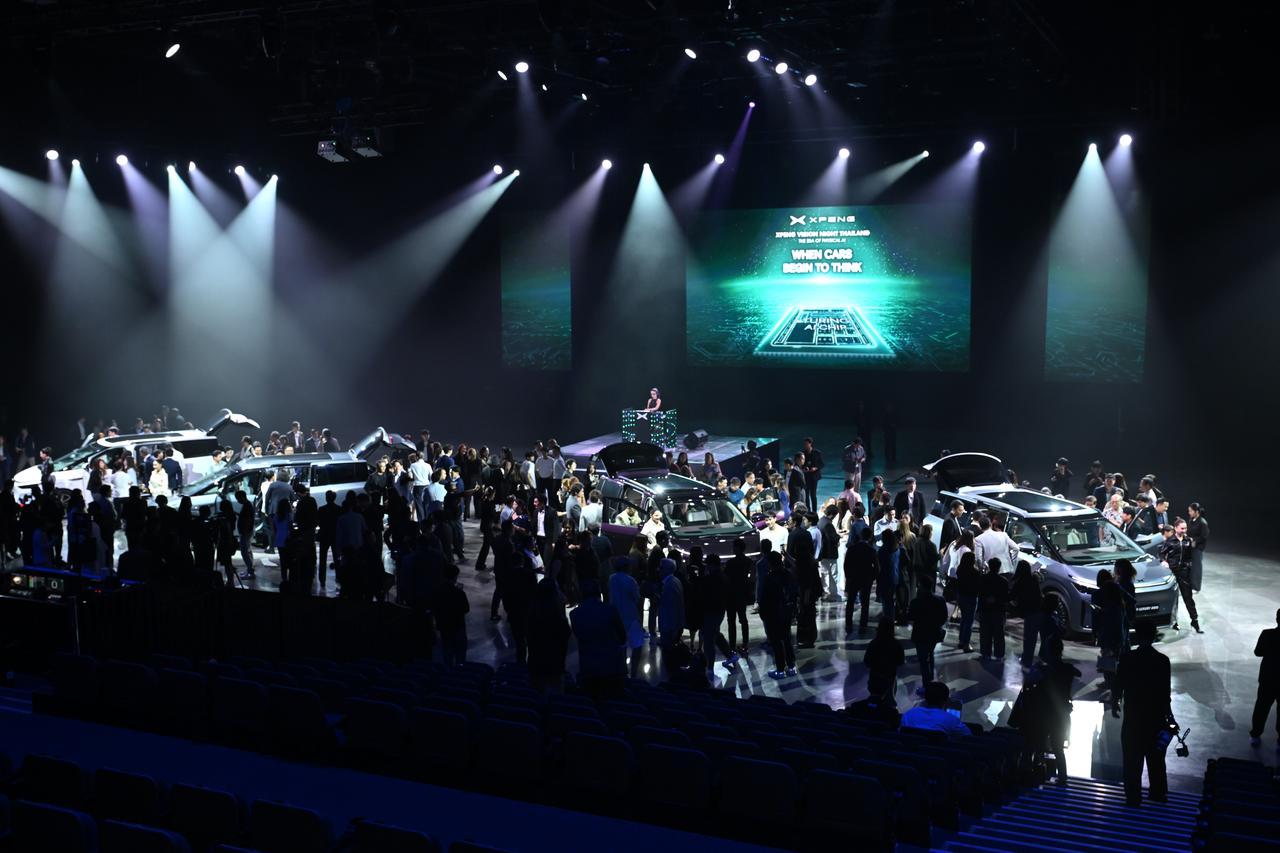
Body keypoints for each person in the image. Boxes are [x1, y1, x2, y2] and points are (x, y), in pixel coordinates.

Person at [1113, 622, 1172, 806]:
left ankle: (1133, 797)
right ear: (1154, 636)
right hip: (1155, 718)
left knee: (1132, 760)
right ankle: (1157, 795)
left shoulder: (1127, 659)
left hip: (1133, 718)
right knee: (1156, 760)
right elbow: (1165, 693)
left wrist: (1115, 702)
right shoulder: (1162, 661)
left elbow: (1118, 685)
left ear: (1137, 636)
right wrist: (1169, 716)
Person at [571, 578, 628, 698]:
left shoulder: (574, 614)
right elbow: (622, 637)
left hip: (588, 667)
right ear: (599, 592)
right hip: (611, 667)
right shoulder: (610, 610)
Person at [1160, 518, 1201, 633]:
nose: (1184, 530)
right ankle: (1174, 622)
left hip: (1184, 572)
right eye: (1182, 528)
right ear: (1176, 528)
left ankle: (1195, 621)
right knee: (1173, 598)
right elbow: (1162, 554)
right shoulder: (1170, 541)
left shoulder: (1187, 540)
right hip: (1172, 572)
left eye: (1185, 528)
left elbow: (1190, 556)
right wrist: (1164, 561)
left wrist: (1189, 566)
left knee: (1188, 598)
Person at [759, 551, 796, 678]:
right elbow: (794, 593)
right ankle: (791, 667)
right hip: (786, 612)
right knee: (787, 640)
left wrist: (763, 613)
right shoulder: (788, 574)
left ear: (770, 563)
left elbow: (765, 599)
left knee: (776, 642)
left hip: (773, 614)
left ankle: (780, 669)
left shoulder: (769, 578)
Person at [607, 557, 646, 678]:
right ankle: (633, 674)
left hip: (617, 617)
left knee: (621, 647)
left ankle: (623, 673)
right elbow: (637, 599)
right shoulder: (631, 580)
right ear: (627, 567)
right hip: (631, 617)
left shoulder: (611, 579)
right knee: (637, 646)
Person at [908, 583, 948, 687]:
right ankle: (930, 679)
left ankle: (926, 682)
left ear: (921, 588)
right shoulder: (940, 600)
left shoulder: (916, 602)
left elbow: (910, 616)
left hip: (920, 633)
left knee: (923, 659)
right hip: (934, 633)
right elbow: (944, 617)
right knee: (930, 654)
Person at [1250, 609, 1280, 746]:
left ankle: (1256, 734)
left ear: (1277, 619)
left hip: (1268, 678)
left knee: (1261, 708)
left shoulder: (1267, 634)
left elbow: (1258, 652)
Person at [900, 681, 971, 736]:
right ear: (946, 700)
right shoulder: (951, 720)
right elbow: (968, 735)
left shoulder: (909, 714)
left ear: (925, 698)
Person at [845, 526, 878, 634]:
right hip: (866, 579)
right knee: (865, 603)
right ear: (870, 537)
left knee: (850, 602)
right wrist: (872, 577)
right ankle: (863, 625)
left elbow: (846, 564)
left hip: (853, 578)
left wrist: (848, 577)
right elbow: (877, 567)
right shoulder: (871, 550)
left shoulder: (852, 549)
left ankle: (848, 624)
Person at [723, 537, 753, 653]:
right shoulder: (748, 561)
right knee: (743, 619)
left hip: (731, 594)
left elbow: (726, 577)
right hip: (742, 593)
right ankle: (745, 643)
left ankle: (732, 645)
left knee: (731, 621)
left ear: (737, 548)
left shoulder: (730, 563)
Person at [1010, 560, 1042, 667]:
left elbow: (1012, 596)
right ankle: (1029, 658)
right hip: (1038, 610)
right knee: (1033, 637)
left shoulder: (1020, 582)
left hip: (1029, 612)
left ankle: (1026, 659)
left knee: (1028, 637)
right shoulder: (1034, 579)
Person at [865, 618, 905, 700]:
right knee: (889, 699)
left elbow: (867, 661)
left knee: (875, 700)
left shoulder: (873, 643)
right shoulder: (896, 644)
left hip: (875, 677)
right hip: (889, 677)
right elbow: (900, 661)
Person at [978, 557, 1009, 660]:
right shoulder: (1003, 581)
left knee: (985, 633)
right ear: (999, 567)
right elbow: (1005, 597)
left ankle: (985, 653)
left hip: (985, 609)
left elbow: (980, 593)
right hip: (998, 610)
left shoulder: (983, 579)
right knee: (999, 634)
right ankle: (999, 654)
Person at [954, 551, 980, 654]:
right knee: (969, 621)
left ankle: (961, 640)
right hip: (971, 597)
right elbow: (978, 586)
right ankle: (966, 644)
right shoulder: (975, 572)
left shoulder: (960, 569)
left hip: (961, 596)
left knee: (964, 619)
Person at [876, 527, 902, 626]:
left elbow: (879, 566)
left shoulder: (882, 551)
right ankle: (891, 620)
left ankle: (887, 622)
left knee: (886, 602)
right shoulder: (897, 549)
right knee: (890, 601)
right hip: (895, 577)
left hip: (885, 578)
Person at [1186, 502, 1209, 593]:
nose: (1189, 513)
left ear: (1196, 511)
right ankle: (1190, 585)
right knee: (1190, 567)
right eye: (1189, 511)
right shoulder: (1191, 520)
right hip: (1191, 547)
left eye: (1191, 511)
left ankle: (1196, 587)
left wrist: (1194, 540)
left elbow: (1204, 536)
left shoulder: (1202, 522)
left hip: (1198, 548)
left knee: (1196, 567)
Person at [234, 490, 256, 580]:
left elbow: (247, 520)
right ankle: (249, 569)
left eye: (238, 499)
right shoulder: (248, 505)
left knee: (244, 552)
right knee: (248, 550)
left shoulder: (247, 506)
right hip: (246, 531)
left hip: (245, 532)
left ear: (242, 497)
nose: (238, 501)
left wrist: (244, 532)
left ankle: (250, 571)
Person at [800, 437, 824, 508]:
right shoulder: (803, 453)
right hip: (806, 476)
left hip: (814, 476)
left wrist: (815, 468)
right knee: (806, 494)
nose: (805, 445)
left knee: (813, 494)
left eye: (806, 444)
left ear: (810, 444)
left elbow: (821, 464)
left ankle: (814, 510)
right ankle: (808, 509)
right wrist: (804, 469)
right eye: (804, 444)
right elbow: (801, 464)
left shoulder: (817, 453)